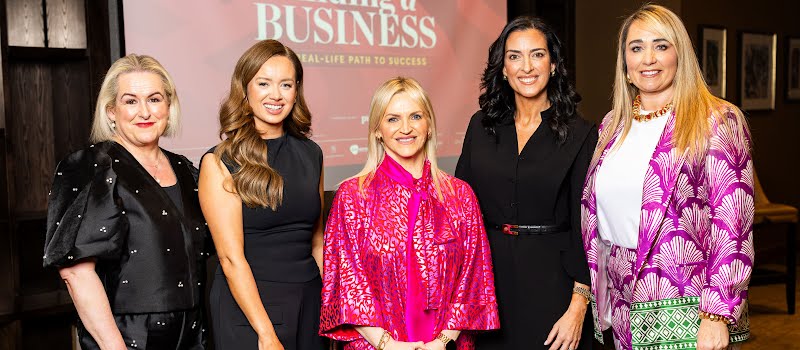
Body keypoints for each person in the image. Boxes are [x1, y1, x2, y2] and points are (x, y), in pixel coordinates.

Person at [581, 4, 753, 350]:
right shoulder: (612, 125)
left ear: (680, 55)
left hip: (688, 305)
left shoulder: (715, 120)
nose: (649, 59)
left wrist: (716, 315)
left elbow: (733, 222)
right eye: (636, 48)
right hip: (623, 304)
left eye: (661, 46)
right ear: (625, 64)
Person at [43, 54, 210, 349]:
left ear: (168, 106)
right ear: (111, 111)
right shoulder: (92, 167)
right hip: (128, 338)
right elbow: (76, 273)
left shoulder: (186, 170)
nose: (144, 112)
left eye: (154, 99)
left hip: (192, 336)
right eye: (130, 101)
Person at [320, 77, 499, 349]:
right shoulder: (353, 197)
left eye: (415, 116)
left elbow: (474, 279)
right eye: (392, 119)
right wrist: (389, 345)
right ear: (377, 130)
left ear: (429, 126)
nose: (406, 128)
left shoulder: (460, 196)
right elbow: (348, 284)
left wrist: (442, 342)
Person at [454, 16, 596, 350]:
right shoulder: (481, 126)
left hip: (555, 287)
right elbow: (460, 208)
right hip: (490, 285)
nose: (526, 66)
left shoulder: (581, 133)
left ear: (554, 63)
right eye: (514, 56)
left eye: (537, 54)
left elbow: (589, 228)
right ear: (503, 67)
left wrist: (578, 307)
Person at [199, 39, 326, 350]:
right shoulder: (219, 161)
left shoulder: (312, 153)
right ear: (245, 89)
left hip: (309, 301)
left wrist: (327, 304)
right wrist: (266, 333)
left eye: (286, 84)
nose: (276, 94)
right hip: (251, 310)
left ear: (297, 91)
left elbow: (317, 240)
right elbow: (230, 259)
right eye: (264, 83)